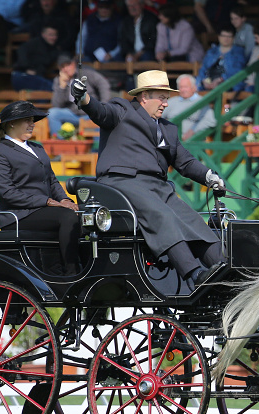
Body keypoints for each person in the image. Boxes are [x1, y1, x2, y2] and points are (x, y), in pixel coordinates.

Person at [71, 69, 226, 290]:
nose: (166, 103)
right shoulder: (122, 110)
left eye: (167, 98)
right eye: (161, 97)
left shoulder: (168, 128)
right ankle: (194, 273)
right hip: (122, 182)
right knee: (161, 214)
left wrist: (209, 176)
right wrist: (83, 98)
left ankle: (223, 269)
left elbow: (185, 162)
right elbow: (100, 112)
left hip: (158, 187)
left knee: (191, 218)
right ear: (144, 96)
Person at [0, 100, 81, 276]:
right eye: (27, 120)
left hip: (43, 210)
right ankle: (72, 273)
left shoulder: (37, 148)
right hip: (19, 214)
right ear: (11, 123)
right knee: (67, 217)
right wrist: (49, 202)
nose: (32, 124)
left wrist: (65, 199)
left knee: (84, 215)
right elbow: (8, 193)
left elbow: (51, 180)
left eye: (32, 120)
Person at [49, 54, 111, 138]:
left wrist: (103, 104)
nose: (66, 69)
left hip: (90, 113)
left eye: (68, 65)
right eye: (63, 67)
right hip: (72, 113)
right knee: (52, 113)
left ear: (73, 64)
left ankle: (96, 149)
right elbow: (56, 105)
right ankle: (60, 146)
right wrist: (61, 87)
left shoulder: (86, 73)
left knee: (100, 116)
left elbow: (103, 84)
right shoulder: (58, 80)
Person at [162, 73, 216, 141]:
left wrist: (193, 131)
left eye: (186, 87)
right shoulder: (172, 101)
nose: (183, 90)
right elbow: (157, 116)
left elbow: (210, 121)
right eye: (181, 87)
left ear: (194, 87)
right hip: (170, 140)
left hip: (192, 141)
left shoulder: (201, 102)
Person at [195, 26, 245, 92]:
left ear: (233, 38)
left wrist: (221, 80)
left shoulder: (238, 52)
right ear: (218, 36)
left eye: (229, 36)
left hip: (228, 84)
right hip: (209, 82)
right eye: (223, 36)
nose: (226, 39)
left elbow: (237, 71)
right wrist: (204, 80)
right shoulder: (211, 51)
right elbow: (203, 68)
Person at [11, 24, 59, 91]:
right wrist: (27, 68)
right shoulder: (34, 43)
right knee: (54, 89)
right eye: (51, 35)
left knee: (54, 89)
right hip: (23, 75)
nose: (54, 37)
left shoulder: (54, 49)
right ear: (43, 34)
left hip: (37, 78)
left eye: (55, 35)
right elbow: (21, 50)